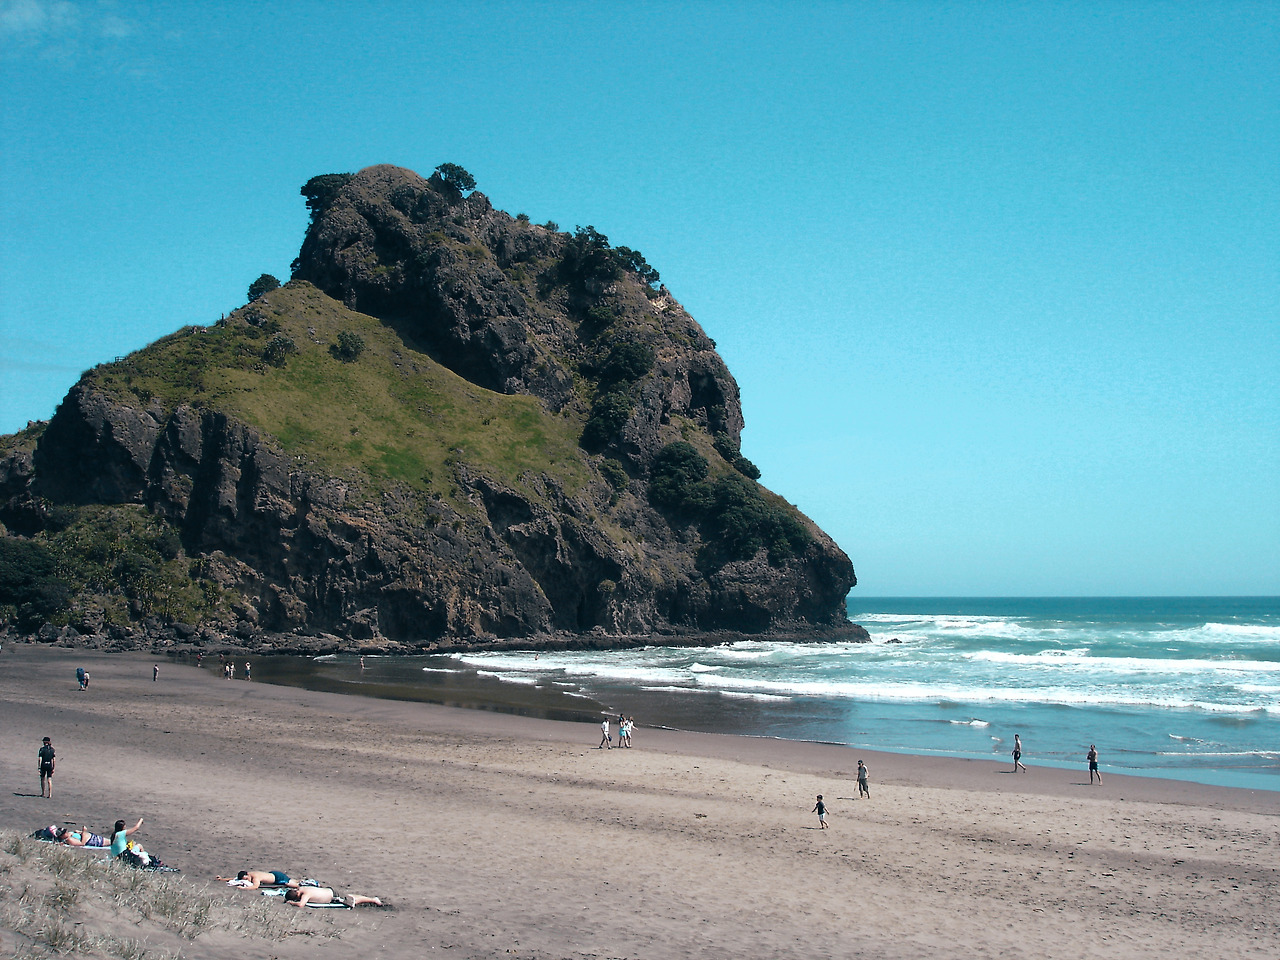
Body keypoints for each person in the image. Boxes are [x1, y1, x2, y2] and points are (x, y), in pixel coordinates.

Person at [284, 886, 383, 908]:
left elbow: (301, 905)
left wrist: (291, 903)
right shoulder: (302, 888)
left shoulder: (305, 895)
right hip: (330, 890)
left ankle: (373, 900)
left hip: (333, 896)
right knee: (349, 896)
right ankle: (371, 899)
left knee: (352, 901)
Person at [216, 869, 298, 889]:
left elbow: (255, 886)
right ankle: (299, 880)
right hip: (272, 874)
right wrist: (222, 879)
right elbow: (235, 879)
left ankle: (301, 884)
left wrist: (243, 888)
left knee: (292, 884)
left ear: (247, 874)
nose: (246, 880)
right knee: (291, 880)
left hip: (278, 878)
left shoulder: (255, 877)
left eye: (246, 879)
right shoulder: (249, 874)